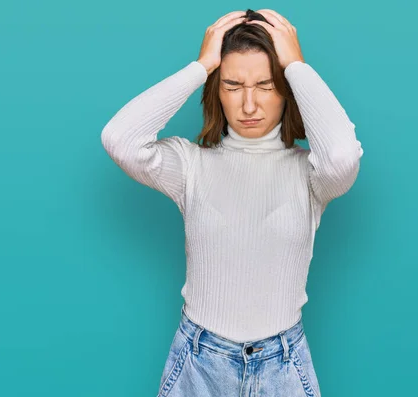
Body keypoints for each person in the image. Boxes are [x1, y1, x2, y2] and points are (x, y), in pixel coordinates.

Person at [101, 8, 363, 397]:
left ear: (286, 90)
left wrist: (296, 65)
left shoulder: (311, 174)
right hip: (198, 366)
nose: (250, 105)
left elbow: (342, 157)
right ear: (215, 90)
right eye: (233, 85)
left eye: (266, 84)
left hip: (284, 366)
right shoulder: (190, 165)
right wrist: (201, 65)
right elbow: (119, 139)